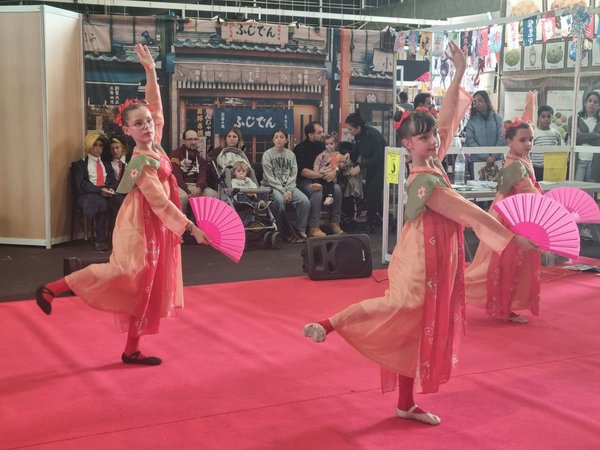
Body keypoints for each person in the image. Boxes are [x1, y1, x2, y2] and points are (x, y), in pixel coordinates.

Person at [303, 41, 536, 425]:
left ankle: (405, 402)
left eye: (432, 136)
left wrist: (458, 72)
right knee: (403, 311)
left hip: (438, 254)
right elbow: (470, 213)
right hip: (421, 259)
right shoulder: (426, 180)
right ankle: (329, 324)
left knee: (418, 327)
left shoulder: (433, 162)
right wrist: (512, 239)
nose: (433, 140)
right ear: (407, 144)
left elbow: (447, 120)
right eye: (423, 137)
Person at [34, 43, 210, 366]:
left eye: (148, 121)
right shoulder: (141, 160)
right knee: (126, 275)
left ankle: (132, 349)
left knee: (147, 283)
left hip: (156, 225)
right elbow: (159, 202)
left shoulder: (156, 145)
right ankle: (54, 288)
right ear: (127, 131)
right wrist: (191, 228)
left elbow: (155, 105)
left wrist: (150, 70)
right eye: (139, 124)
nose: (147, 125)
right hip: (140, 224)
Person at [465, 92, 542, 325]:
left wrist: (530, 103)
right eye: (523, 140)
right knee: (506, 263)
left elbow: (526, 121)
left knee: (509, 263)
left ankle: (504, 304)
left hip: (516, 214)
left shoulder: (519, 158)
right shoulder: (516, 166)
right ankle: (503, 306)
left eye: (531, 139)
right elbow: (530, 191)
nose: (528, 144)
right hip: (511, 219)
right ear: (509, 141)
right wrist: (552, 208)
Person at [293, 121, 344, 237]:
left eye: (322, 131)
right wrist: (322, 175)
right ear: (311, 135)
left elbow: (336, 161)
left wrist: (334, 172)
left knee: (337, 189)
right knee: (317, 191)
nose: (323, 134)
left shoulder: (324, 146)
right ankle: (313, 226)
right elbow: (303, 171)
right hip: (305, 181)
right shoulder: (300, 148)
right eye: (319, 132)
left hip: (324, 179)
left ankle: (335, 222)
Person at [71, 131, 120, 252]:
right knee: (100, 203)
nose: (98, 148)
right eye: (95, 145)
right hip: (88, 194)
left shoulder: (106, 164)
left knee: (122, 201)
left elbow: (113, 181)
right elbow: (81, 184)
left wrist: (111, 189)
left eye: (100, 145)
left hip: (105, 193)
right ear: (88, 145)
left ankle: (118, 238)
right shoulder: (79, 165)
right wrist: (99, 190)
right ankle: (100, 240)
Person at [261, 128, 310, 242]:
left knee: (305, 201)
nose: (279, 139)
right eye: (276, 137)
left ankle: (299, 231)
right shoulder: (267, 154)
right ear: (273, 140)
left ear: (286, 140)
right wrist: (284, 192)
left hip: (288, 187)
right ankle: (279, 231)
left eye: (282, 137)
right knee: (279, 200)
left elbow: (293, 175)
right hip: (271, 187)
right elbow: (270, 178)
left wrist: (288, 190)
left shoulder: (291, 155)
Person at [345, 112, 386, 233]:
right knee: (370, 194)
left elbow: (379, 156)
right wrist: (348, 155)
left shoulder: (372, 135)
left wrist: (361, 166)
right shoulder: (358, 136)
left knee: (373, 194)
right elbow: (357, 151)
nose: (349, 131)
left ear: (358, 127)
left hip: (381, 167)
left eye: (350, 129)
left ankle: (370, 223)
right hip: (371, 167)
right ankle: (379, 218)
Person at [171, 129, 218, 214]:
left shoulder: (201, 160)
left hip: (196, 186)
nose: (193, 142)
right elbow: (176, 175)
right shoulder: (175, 154)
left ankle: (206, 220)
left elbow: (202, 176)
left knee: (214, 195)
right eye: (190, 139)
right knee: (183, 197)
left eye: (195, 139)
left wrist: (199, 188)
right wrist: (187, 191)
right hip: (179, 185)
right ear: (183, 141)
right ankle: (180, 222)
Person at [465, 90, 506, 168]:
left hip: (497, 161)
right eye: (475, 102)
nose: (477, 103)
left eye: (480, 100)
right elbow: (470, 141)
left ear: (487, 101)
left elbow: (502, 138)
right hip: (477, 162)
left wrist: (494, 156)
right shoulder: (471, 122)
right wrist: (486, 157)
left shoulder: (498, 119)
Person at [567, 91, 600, 182]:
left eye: (595, 102)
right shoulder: (574, 119)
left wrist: (581, 136)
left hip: (595, 162)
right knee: (576, 187)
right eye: (590, 100)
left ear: (599, 106)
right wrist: (596, 135)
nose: (592, 103)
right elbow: (575, 138)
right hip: (578, 160)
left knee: (591, 188)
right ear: (585, 103)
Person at [313, 132, 346, 208]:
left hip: (331, 175)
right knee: (318, 180)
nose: (329, 146)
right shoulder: (322, 154)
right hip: (321, 174)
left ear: (336, 144)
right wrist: (316, 172)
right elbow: (317, 163)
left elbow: (342, 165)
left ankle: (329, 197)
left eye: (331, 144)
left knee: (329, 181)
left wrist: (341, 165)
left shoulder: (338, 155)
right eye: (327, 144)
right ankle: (316, 185)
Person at [532, 105, 563, 181]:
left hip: (552, 168)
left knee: (551, 187)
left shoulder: (556, 134)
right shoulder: (533, 133)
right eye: (543, 116)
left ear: (552, 118)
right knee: (537, 187)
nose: (546, 119)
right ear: (538, 118)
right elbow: (529, 152)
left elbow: (560, 151)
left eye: (549, 116)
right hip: (536, 167)